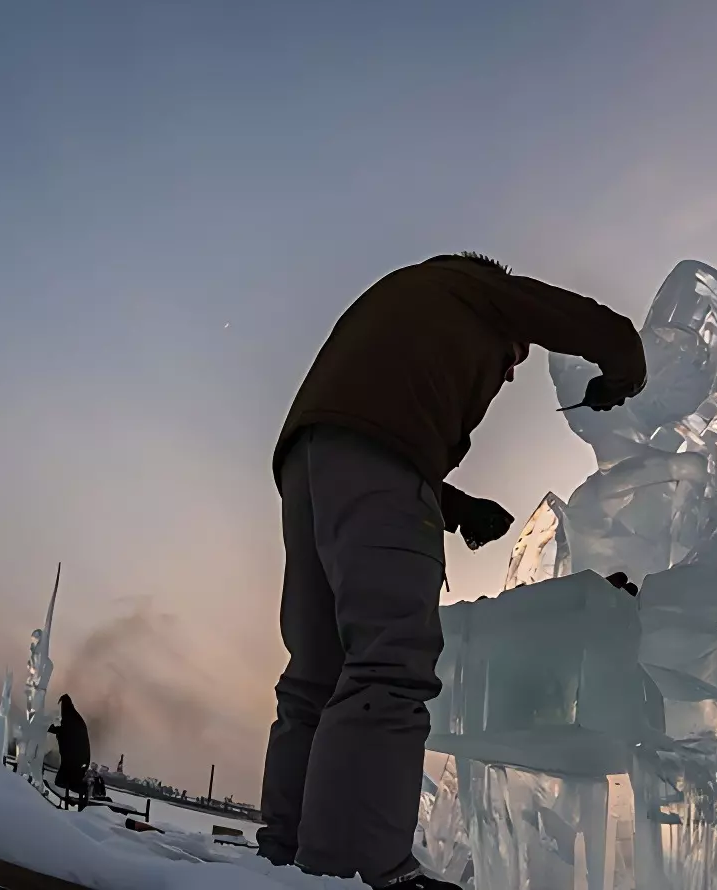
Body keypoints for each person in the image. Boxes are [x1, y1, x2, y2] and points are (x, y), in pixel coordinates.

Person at [256, 252, 645, 888]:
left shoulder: (403, 299)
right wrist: (623, 366)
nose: (512, 370)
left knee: (315, 676)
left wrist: (454, 506)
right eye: (513, 357)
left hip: (309, 461)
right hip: (380, 460)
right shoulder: (476, 287)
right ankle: (358, 865)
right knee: (391, 660)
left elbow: (373, 432)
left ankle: (284, 855)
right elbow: (588, 325)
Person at [48, 695, 92, 809]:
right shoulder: (74, 719)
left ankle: (81, 798)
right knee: (65, 782)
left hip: (75, 762)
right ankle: (73, 801)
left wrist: (50, 728)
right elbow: (65, 731)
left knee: (63, 782)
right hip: (75, 761)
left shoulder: (71, 720)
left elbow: (66, 732)